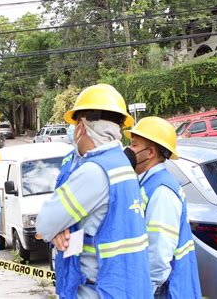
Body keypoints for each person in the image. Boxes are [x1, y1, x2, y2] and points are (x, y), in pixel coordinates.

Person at [36, 84, 153, 299]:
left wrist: (57, 227)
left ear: (81, 126)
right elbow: (104, 225)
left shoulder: (94, 171)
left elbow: (43, 225)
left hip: (98, 290)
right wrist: (61, 227)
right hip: (126, 288)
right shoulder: (123, 166)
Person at [123, 117, 201, 299]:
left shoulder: (162, 191)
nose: (128, 151)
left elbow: (158, 255)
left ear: (150, 152)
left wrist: (142, 292)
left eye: (134, 145)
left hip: (163, 290)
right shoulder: (146, 183)